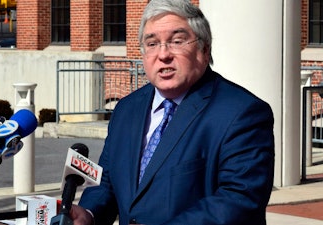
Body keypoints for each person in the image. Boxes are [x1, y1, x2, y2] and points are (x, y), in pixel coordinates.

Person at [70, 0, 275, 224]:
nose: (163, 54)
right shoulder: (126, 109)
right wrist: (89, 213)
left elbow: (237, 202)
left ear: (204, 49)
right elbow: (108, 180)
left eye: (177, 41)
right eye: (152, 43)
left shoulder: (242, 113)